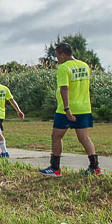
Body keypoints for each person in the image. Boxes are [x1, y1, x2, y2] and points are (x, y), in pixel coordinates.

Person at [39, 42, 100, 177]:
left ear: (63, 54)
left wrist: (67, 109)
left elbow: (64, 88)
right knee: (84, 138)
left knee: (56, 136)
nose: (57, 59)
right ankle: (95, 166)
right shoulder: (84, 65)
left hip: (66, 109)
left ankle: (55, 168)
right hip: (84, 106)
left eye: (57, 56)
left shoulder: (64, 68)